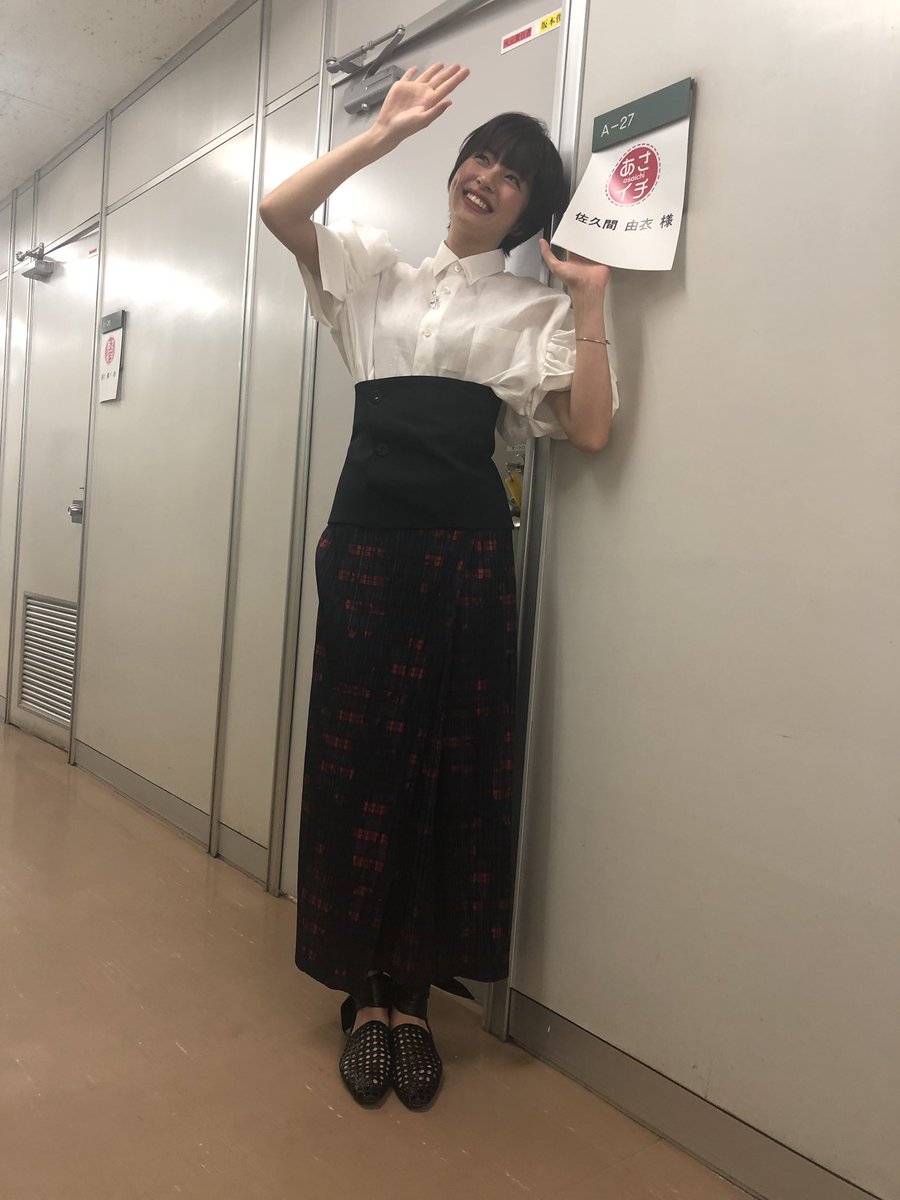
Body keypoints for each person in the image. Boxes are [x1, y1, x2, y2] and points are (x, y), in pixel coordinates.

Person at [259, 62, 614, 1110]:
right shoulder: (375, 274)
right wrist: (385, 131)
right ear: (454, 169)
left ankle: (413, 1000)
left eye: (513, 175)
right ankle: (362, 995)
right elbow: (279, 210)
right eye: (480, 158)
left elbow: (591, 429)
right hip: (367, 550)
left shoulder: (530, 309)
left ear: (529, 211)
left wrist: (593, 301)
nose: (487, 177)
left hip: (467, 556)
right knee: (358, 763)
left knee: (448, 768)